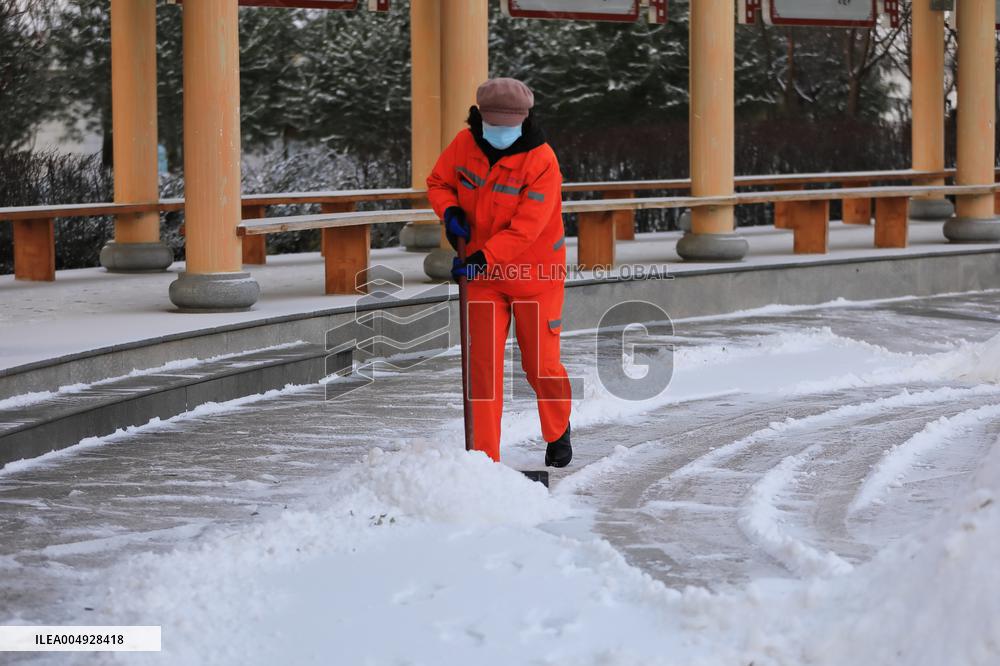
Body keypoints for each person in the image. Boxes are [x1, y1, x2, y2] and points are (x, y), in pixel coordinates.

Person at [427, 77, 573, 468]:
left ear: (525, 119)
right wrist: (449, 210)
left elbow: (527, 228)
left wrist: (481, 258)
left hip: (535, 274)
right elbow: (439, 182)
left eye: (510, 125)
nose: (502, 132)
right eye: (494, 124)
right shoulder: (465, 144)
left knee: (541, 364)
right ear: (481, 118)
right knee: (483, 368)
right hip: (483, 279)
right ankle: (483, 459)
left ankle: (558, 428)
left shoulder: (542, 160)